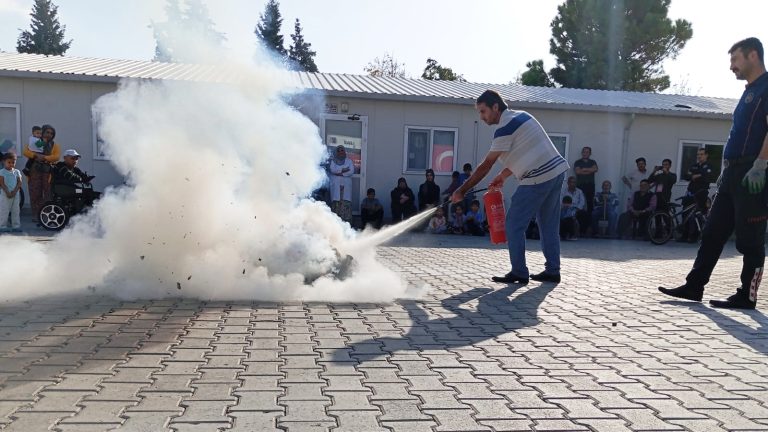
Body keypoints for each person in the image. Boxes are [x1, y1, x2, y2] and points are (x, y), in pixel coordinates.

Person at [659, 37, 768, 309]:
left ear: (753, 55)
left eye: (735, 60)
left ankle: (747, 295)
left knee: (750, 238)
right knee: (712, 232)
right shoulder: (748, 91)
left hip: (753, 173)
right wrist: (725, 170)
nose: (731, 66)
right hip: (732, 173)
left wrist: (760, 166)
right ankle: (694, 286)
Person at [452, 90, 569, 284]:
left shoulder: (504, 128)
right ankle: (553, 271)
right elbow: (526, 150)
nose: (481, 117)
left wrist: (462, 190)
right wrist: (504, 175)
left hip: (537, 177)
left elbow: (485, 165)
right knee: (548, 225)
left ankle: (519, 272)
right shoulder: (522, 116)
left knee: (513, 224)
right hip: (556, 172)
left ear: (495, 107)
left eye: (483, 111)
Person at [23, 124, 61, 222]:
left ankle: (46, 215)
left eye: (51, 133)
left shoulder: (54, 145)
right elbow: (25, 151)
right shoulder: (35, 141)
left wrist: (45, 158)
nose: (49, 135)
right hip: (34, 171)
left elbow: (57, 156)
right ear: (42, 132)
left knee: (48, 193)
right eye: (47, 132)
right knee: (35, 193)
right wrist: (35, 155)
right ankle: (36, 215)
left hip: (48, 172)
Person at [679, 148, 714, 242]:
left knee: (697, 215)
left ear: (706, 155)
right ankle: (684, 235)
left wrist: (697, 175)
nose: (699, 156)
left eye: (701, 154)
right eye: (698, 154)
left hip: (701, 193)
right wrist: (694, 176)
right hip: (690, 192)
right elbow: (686, 176)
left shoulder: (709, 166)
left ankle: (694, 236)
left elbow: (707, 177)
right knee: (685, 213)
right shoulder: (694, 166)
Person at [328, 145, 354, 223]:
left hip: (346, 186)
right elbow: (333, 170)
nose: (341, 152)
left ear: (344, 152)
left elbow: (351, 171)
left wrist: (341, 173)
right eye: (339, 151)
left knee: (345, 203)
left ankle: (346, 223)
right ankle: (336, 224)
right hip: (336, 185)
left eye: (342, 150)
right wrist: (344, 169)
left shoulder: (349, 161)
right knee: (336, 203)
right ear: (337, 152)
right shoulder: (333, 161)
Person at [0, 152, 23, 233]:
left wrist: (14, 191)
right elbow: (1, 183)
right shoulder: (2, 171)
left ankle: (16, 226)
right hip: (5, 194)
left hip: (15, 194)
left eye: (13, 162)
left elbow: (19, 182)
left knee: (16, 210)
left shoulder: (17, 172)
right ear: (4, 162)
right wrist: (7, 192)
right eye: (9, 162)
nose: (11, 164)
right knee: (4, 210)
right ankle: (2, 226)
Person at [574, 146, 598, 216]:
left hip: (590, 185)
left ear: (590, 153)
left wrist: (583, 169)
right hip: (580, 185)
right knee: (579, 203)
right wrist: (589, 170)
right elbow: (578, 172)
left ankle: (589, 223)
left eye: (587, 152)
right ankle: (578, 221)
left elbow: (595, 169)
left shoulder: (593, 162)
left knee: (590, 204)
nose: (585, 153)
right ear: (582, 153)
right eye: (584, 152)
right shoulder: (578, 162)